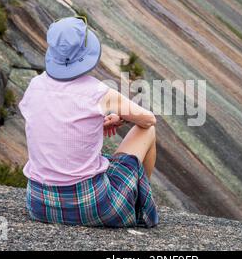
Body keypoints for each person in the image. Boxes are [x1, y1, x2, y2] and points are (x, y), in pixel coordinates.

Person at [19, 16, 158, 227]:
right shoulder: (98, 92)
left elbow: (51, 125)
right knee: (148, 131)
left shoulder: (34, 86)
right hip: (93, 206)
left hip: (39, 205)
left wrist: (94, 124)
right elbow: (148, 119)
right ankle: (140, 205)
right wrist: (121, 117)